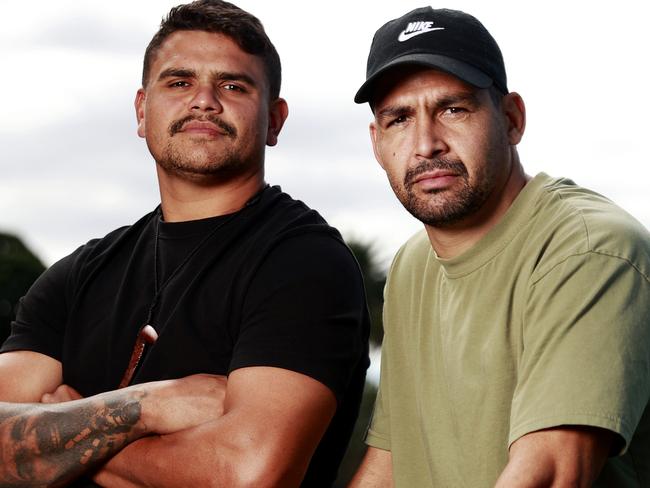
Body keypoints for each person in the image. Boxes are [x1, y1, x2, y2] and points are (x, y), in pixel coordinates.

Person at [0, 1, 370, 487]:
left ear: (275, 120)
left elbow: (247, 474)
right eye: (179, 83)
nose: (204, 101)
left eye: (233, 86)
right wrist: (145, 408)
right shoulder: (79, 275)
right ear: (141, 109)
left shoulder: (303, 263)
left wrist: (67, 433)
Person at [349, 6, 650, 488]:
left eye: (453, 109)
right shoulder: (412, 266)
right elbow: (389, 462)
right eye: (399, 119)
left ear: (511, 119)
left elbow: (550, 472)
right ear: (376, 142)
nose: (426, 144)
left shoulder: (590, 250)